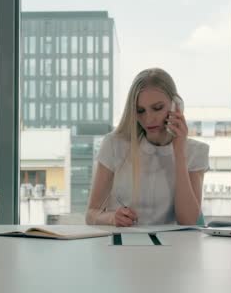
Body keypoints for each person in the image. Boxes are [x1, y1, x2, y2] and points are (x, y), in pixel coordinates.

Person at [86, 68, 209, 226]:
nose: (149, 119)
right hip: (121, 245)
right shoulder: (114, 145)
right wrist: (112, 218)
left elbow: (190, 222)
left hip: (171, 247)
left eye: (157, 108)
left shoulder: (195, 152)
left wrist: (179, 151)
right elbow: (91, 214)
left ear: (176, 106)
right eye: (140, 111)